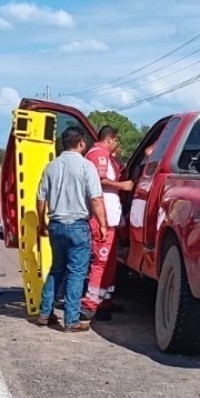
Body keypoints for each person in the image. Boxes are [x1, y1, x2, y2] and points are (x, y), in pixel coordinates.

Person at [34, 127, 107, 332]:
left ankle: (44, 313)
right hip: (77, 226)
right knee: (76, 273)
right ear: (81, 143)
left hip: (56, 225)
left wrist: (42, 223)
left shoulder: (50, 167)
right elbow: (96, 198)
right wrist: (102, 224)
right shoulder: (87, 167)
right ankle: (71, 320)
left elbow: (40, 200)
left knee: (56, 269)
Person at [81, 126, 133, 320]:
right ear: (110, 139)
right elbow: (99, 181)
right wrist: (123, 186)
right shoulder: (98, 155)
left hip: (110, 218)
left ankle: (104, 301)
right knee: (101, 262)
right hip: (101, 217)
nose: (117, 145)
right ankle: (90, 305)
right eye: (116, 141)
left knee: (109, 263)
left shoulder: (108, 157)